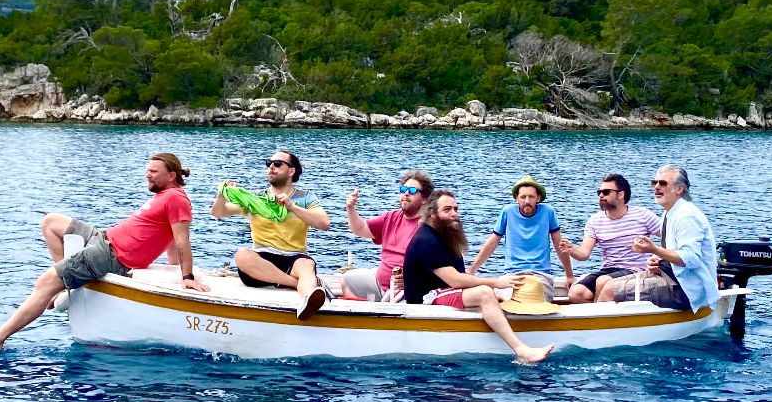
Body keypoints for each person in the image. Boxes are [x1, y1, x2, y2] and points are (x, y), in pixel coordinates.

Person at [0, 152, 210, 351]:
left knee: (45, 282)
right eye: (147, 171)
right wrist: (173, 267)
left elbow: (180, 240)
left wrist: (186, 278)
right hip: (103, 238)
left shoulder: (177, 199)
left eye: (153, 172)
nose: (147, 175)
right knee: (50, 222)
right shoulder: (165, 196)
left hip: (112, 255)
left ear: (171, 175)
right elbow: (165, 239)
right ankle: (69, 281)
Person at [404, 190, 554, 364]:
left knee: (492, 293)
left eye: (455, 208)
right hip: (426, 299)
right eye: (447, 209)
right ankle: (521, 350)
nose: (454, 213)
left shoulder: (442, 235)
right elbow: (455, 280)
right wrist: (494, 283)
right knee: (484, 293)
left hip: (444, 292)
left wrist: (493, 290)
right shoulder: (427, 240)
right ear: (432, 213)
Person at [212, 147, 332, 319]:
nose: (271, 168)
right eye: (269, 164)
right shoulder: (256, 199)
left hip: (294, 257)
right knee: (242, 255)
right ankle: (295, 284)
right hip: (261, 259)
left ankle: (308, 302)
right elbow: (218, 212)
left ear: (291, 170)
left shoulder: (306, 197)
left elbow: (324, 223)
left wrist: (291, 207)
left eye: (277, 164)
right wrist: (222, 195)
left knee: (306, 266)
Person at [608, 163, 719, 311]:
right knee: (603, 284)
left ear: (679, 189)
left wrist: (654, 249)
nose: (656, 187)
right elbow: (674, 254)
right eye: (654, 183)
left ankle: (600, 332)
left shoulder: (687, 215)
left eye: (663, 183)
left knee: (609, 290)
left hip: (686, 289)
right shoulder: (669, 212)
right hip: (671, 278)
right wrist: (658, 261)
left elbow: (691, 259)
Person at [558, 173, 662, 302]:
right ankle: (602, 316)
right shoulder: (595, 221)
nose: (601, 196)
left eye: (606, 192)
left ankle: (596, 319)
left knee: (603, 281)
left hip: (636, 270)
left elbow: (668, 235)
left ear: (621, 194)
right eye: (599, 192)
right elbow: (584, 254)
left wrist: (660, 257)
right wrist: (572, 249)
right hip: (609, 269)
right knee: (576, 293)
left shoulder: (643, 215)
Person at [467, 176, 573, 301]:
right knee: (505, 299)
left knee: (534, 299)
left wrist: (569, 275)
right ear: (516, 198)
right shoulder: (508, 212)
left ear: (538, 198)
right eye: (523, 197)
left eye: (531, 197)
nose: (527, 201)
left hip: (541, 274)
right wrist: (472, 270)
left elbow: (558, 244)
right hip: (512, 274)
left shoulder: (548, 212)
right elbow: (493, 242)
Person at [340, 169, 432, 300]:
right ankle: (368, 315)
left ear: (425, 199)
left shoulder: (430, 227)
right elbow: (360, 229)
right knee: (347, 280)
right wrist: (350, 208)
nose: (406, 193)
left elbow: (439, 266)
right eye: (403, 189)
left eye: (412, 191)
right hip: (381, 284)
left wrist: (414, 279)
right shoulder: (391, 217)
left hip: (407, 291)